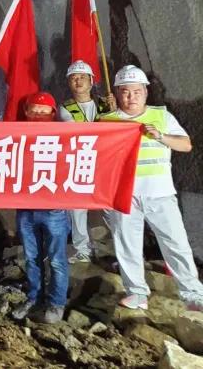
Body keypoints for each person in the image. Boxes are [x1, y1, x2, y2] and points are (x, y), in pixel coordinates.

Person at [99, 65, 203, 312]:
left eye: (136, 91)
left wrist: (160, 136)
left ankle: (193, 294)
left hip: (160, 193)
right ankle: (136, 293)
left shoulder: (161, 116)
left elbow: (185, 145)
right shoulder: (107, 121)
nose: (131, 97)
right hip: (123, 195)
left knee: (176, 244)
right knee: (127, 244)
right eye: (125, 92)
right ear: (117, 93)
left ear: (145, 92)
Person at [11, 92, 71, 323]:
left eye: (43, 111)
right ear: (26, 112)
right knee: (31, 258)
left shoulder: (64, 137)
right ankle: (34, 298)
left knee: (56, 259)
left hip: (54, 209)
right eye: (33, 111)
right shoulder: (16, 136)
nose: (37, 115)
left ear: (53, 113)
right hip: (26, 208)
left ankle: (56, 303)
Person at [58, 60, 113, 264]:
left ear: (91, 81)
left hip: (104, 162)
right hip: (79, 161)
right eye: (74, 78)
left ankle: (122, 247)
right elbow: (77, 131)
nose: (78, 81)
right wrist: (108, 116)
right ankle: (82, 249)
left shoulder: (105, 104)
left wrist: (115, 111)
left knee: (110, 206)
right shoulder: (65, 108)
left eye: (82, 77)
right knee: (76, 207)